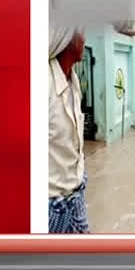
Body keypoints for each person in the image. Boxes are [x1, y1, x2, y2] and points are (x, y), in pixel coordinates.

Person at [48, 26, 89, 233]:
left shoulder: (73, 81)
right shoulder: (43, 84)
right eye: (82, 33)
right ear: (68, 39)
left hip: (76, 194)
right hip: (51, 207)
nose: (85, 40)